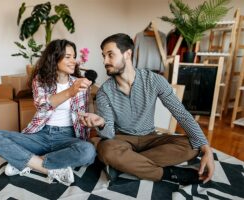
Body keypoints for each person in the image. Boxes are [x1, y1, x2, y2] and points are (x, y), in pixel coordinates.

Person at [79, 33, 215, 185]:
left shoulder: (154, 80)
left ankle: (124, 164)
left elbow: (181, 114)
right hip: (121, 139)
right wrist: (102, 123)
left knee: (193, 145)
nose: (105, 61)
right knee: (107, 149)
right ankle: (168, 173)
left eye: (110, 55)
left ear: (128, 54)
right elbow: (109, 133)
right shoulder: (104, 91)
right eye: (104, 56)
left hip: (151, 138)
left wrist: (206, 148)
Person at [0, 39, 96, 186]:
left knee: (88, 151)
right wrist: (70, 91)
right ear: (54, 58)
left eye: (74, 56)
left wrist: (90, 118)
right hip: (41, 135)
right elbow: (42, 105)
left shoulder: (80, 83)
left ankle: (29, 161)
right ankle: (47, 168)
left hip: (67, 137)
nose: (73, 61)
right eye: (68, 57)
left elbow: (87, 109)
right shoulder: (40, 81)